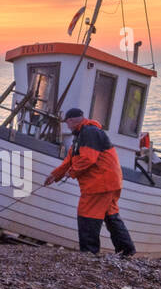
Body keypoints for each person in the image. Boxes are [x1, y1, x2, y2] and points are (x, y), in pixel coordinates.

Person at [44, 108, 136, 257]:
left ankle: (89, 252)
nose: (66, 126)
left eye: (67, 123)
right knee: (110, 215)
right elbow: (70, 160)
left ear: (72, 121)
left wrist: (72, 172)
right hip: (109, 183)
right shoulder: (82, 135)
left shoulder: (89, 133)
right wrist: (55, 175)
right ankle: (126, 249)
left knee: (87, 213)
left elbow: (88, 158)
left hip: (100, 184)